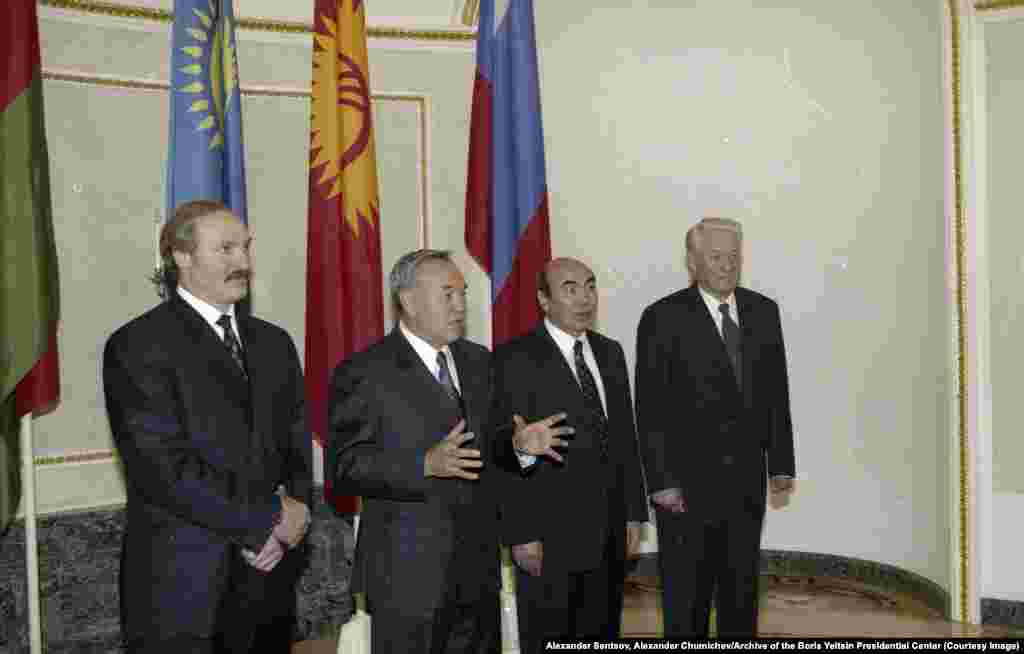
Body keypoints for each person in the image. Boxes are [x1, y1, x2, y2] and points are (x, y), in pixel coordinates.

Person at [326, 249, 570, 653]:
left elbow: (490, 453)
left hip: (478, 570)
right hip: (406, 578)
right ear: (409, 301)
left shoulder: (479, 362)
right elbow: (346, 466)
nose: (460, 306)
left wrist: (520, 448)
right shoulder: (365, 371)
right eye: (448, 295)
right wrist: (422, 464)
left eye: (463, 293)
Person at [103, 200, 312, 654]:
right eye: (226, 249)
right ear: (182, 256)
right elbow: (160, 467)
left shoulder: (274, 343)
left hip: (269, 581)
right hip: (185, 590)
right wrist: (264, 522)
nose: (243, 262)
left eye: (246, 248)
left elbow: (295, 446)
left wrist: (294, 516)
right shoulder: (138, 345)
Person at [634, 217, 796, 638]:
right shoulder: (661, 317)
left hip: (745, 485)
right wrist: (662, 483)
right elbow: (649, 409)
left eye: (734, 257)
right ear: (693, 261)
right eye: (716, 257)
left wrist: (781, 463)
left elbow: (776, 393)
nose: (727, 266)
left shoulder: (764, 311)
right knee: (687, 599)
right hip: (685, 490)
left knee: (740, 596)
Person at [492, 258, 648, 651]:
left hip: (609, 533)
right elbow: (505, 452)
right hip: (549, 536)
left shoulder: (610, 353)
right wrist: (521, 533)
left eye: (590, 286)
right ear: (544, 300)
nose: (585, 298)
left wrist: (632, 513)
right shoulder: (514, 358)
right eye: (570, 288)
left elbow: (625, 440)